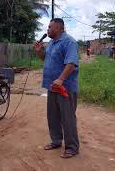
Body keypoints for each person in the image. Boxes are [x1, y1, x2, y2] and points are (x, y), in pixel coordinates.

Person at [33, 18, 80, 159]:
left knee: (68, 118)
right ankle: (56, 141)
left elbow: (71, 63)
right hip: (51, 86)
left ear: (59, 28)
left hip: (65, 87)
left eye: (50, 27)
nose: (47, 29)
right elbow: (45, 59)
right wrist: (39, 51)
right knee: (52, 116)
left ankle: (72, 147)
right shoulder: (52, 43)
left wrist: (61, 79)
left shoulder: (69, 42)